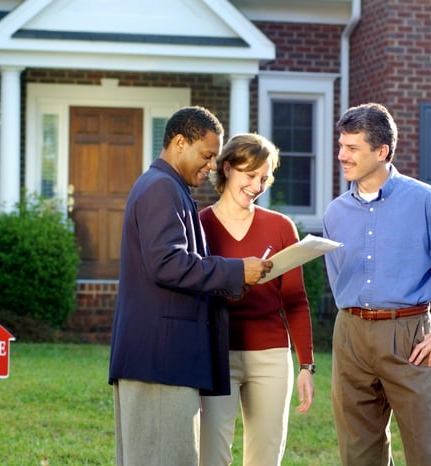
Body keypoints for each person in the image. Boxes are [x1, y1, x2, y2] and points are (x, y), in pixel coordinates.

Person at [322, 103, 431, 466]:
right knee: (358, 455)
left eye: (352, 148)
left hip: (409, 336)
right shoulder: (335, 212)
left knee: (425, 454)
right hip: (350, 336)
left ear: (382, 151)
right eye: (341, 145)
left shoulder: (426, 202)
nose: (342, 155)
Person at [108, 107, 272, 466]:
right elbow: (167, 263)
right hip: (160, 361)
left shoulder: (168, 187)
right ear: (180, 143)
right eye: (208, 155)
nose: (212, 165)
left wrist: (229, 286)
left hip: (162, 359)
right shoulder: (160, 189)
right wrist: (234, 271)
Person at [199, 133, 315, 466]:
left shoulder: (280, 226)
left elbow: (296, 301)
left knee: (265, 458)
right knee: (211, 456)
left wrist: (306, 365)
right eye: (250, 175)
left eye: (264, 178)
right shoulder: (200, 225)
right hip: (215, 355)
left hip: (271, 357)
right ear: (227, 169)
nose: (257, 185)